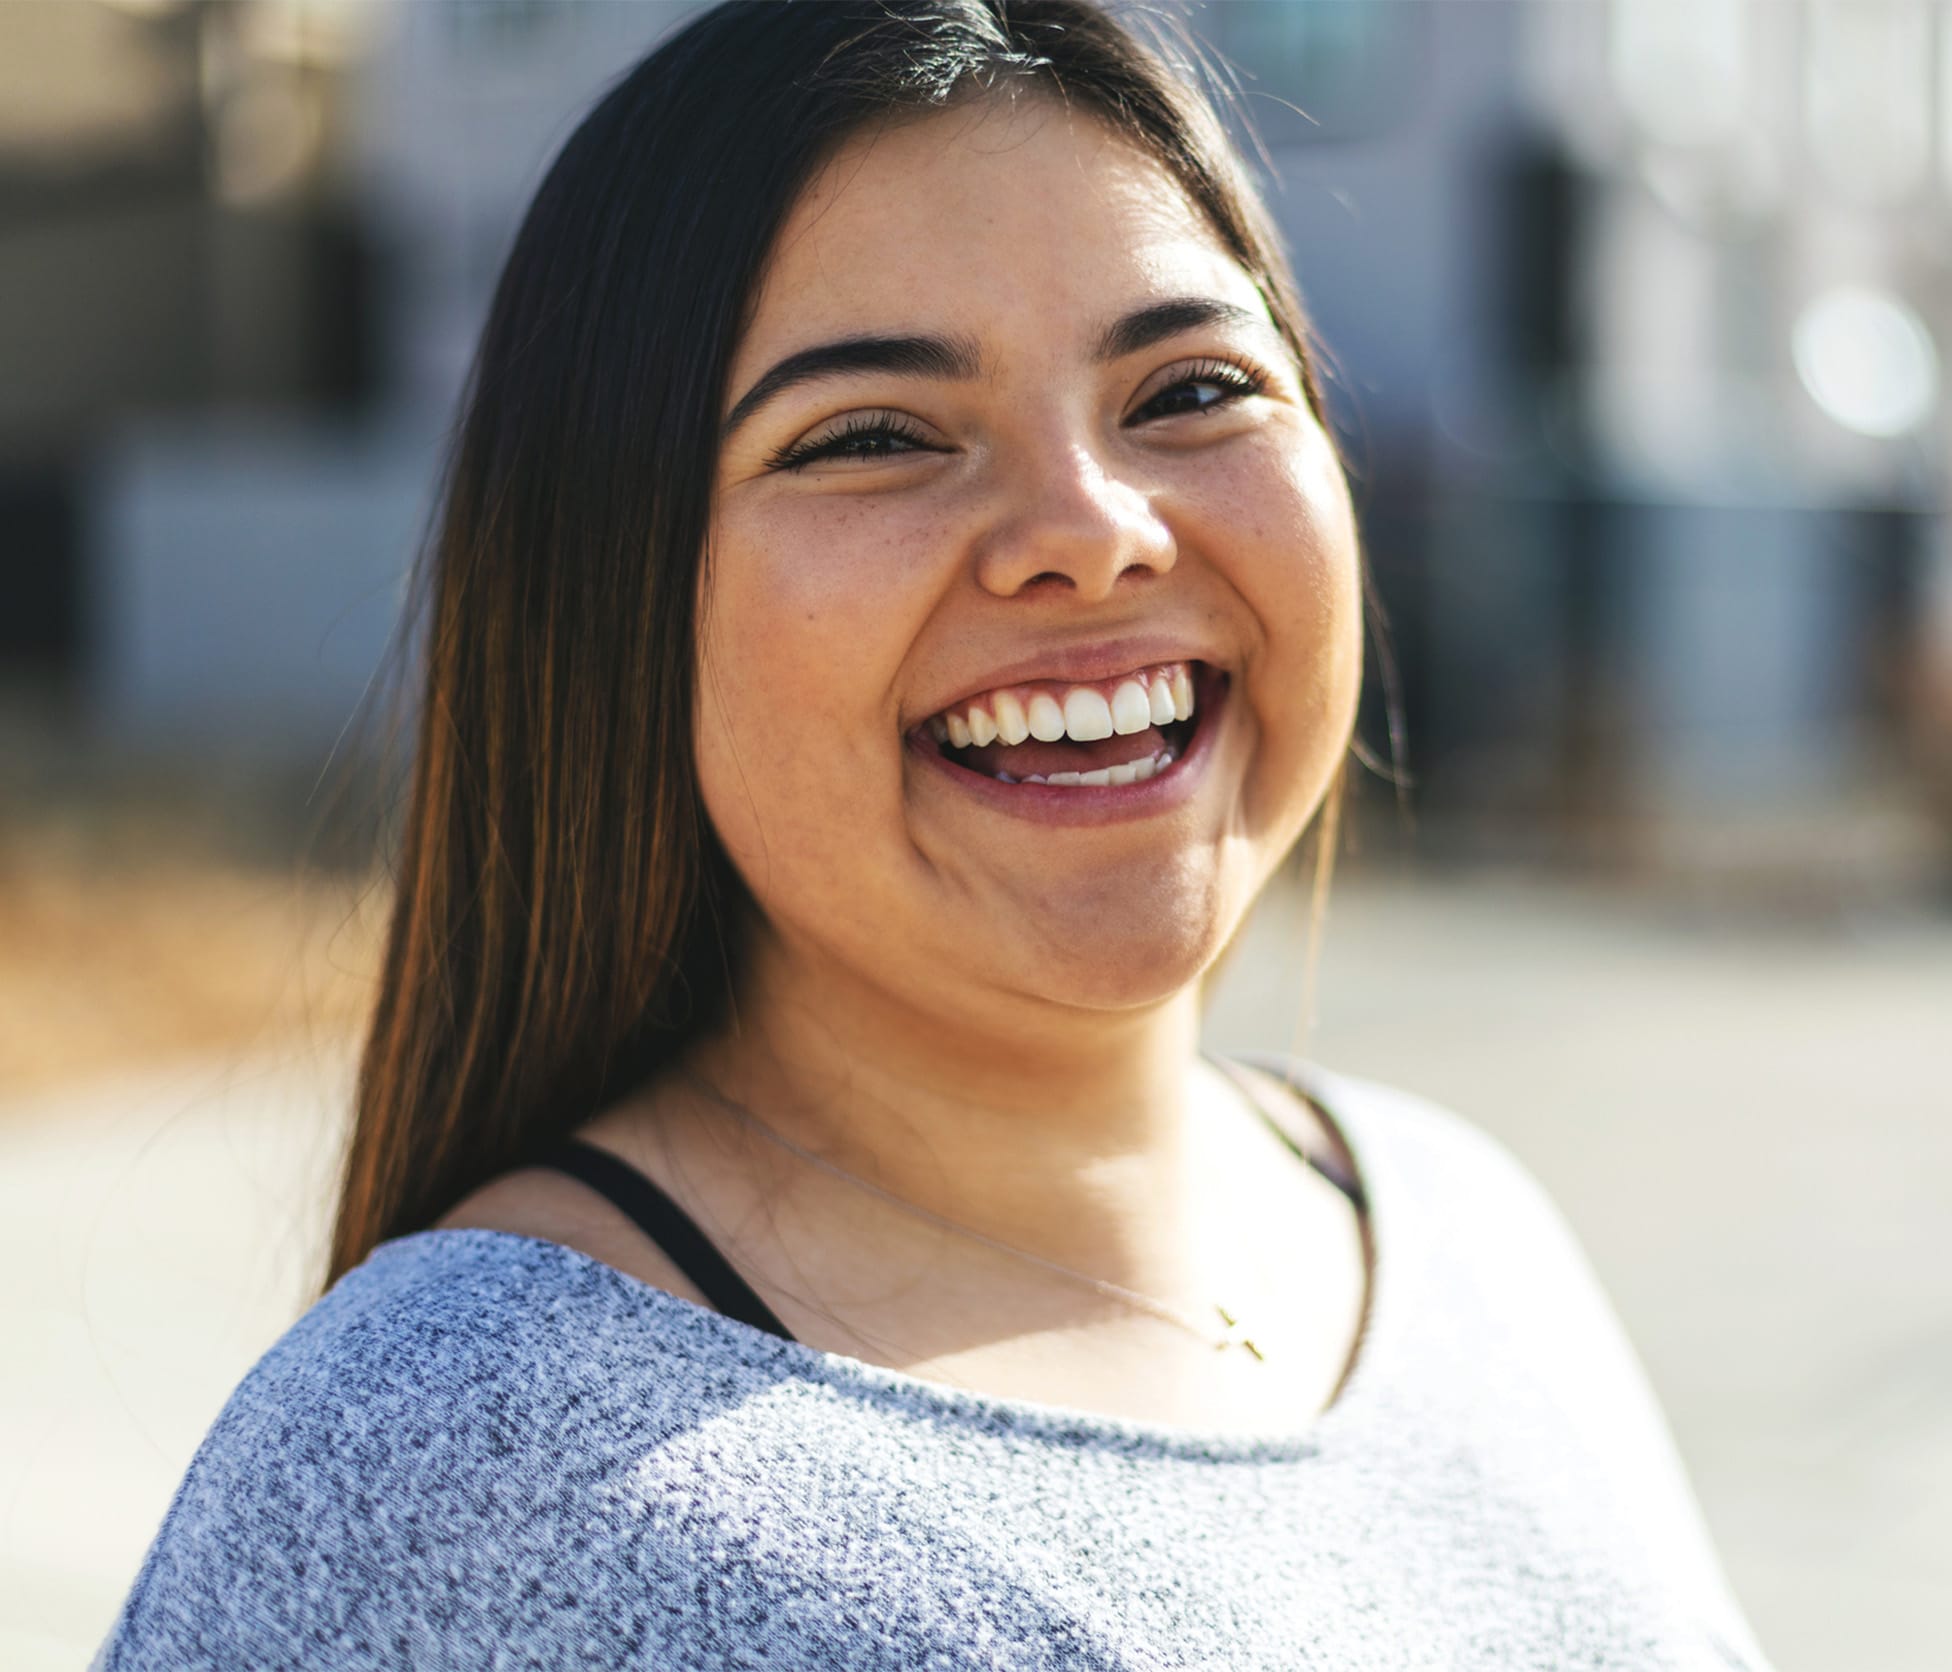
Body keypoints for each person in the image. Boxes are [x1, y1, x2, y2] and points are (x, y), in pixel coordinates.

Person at [97, 3, 1778, 1667]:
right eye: (877, 437)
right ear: (611, 600)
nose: (1093, 532)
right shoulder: (457, 1454)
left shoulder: (1464, 1232)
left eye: (1191, 388)